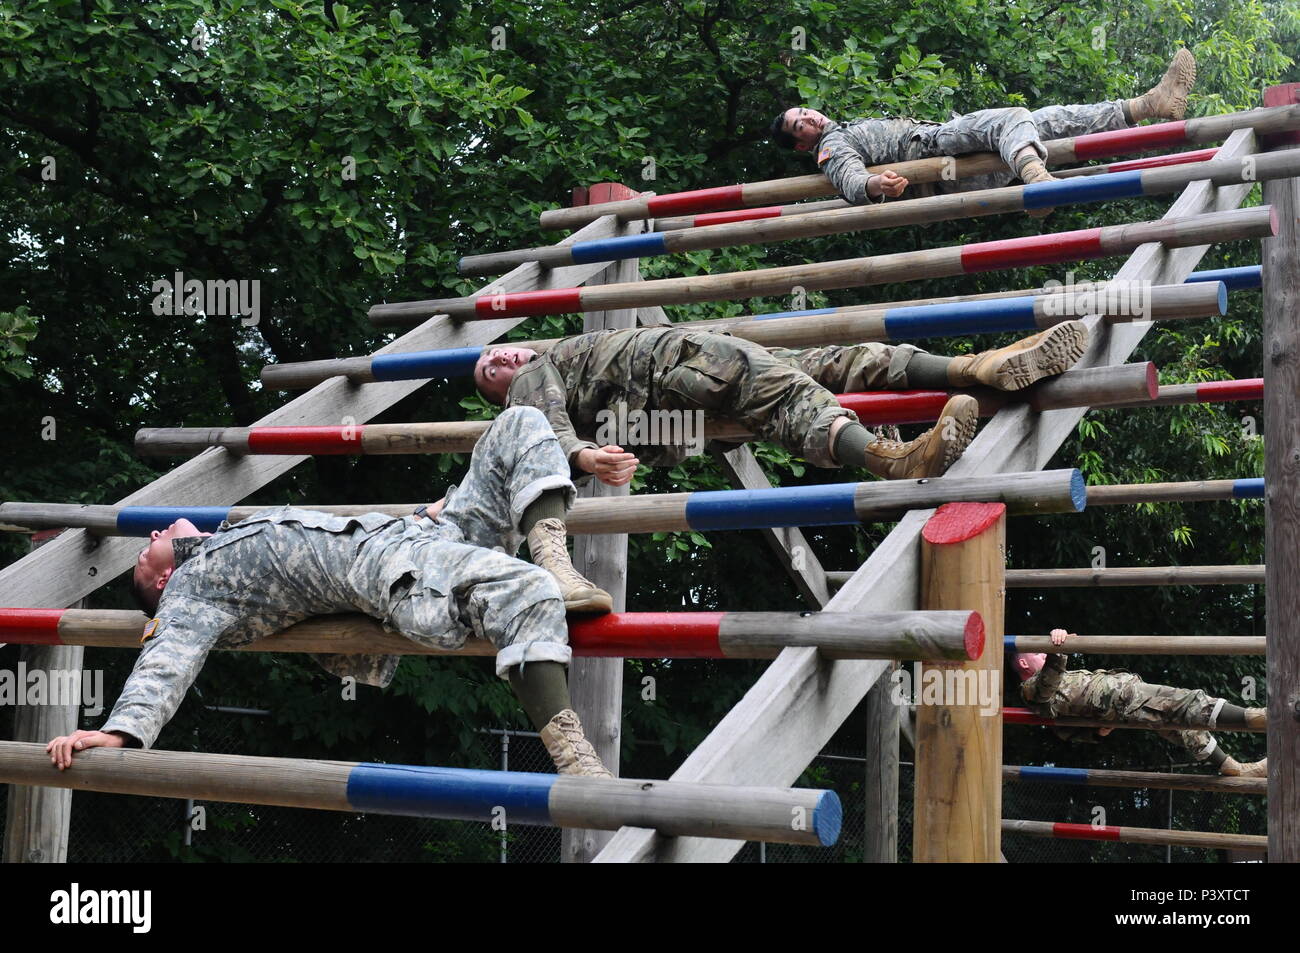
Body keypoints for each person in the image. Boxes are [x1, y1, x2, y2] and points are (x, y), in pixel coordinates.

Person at [46, 406, 616, 778]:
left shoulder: (232, 535)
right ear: (163, 583)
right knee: (525, 590)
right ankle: (574, 757)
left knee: (518, 420)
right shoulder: (194, 590)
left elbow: (330, 533)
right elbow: (167, 656)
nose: (150, 536)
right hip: (395, 569)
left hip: (422, 533)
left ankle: (554, 552)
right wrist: (120, 731)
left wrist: (421, 514)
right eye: (146, 558)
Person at [472, 322, 1089, 484]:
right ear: (500, 394)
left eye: (496, 353)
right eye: (488, 372)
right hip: (675, 378)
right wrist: (584, 460)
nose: (500, 360)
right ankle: (894, 459)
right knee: (791, 393)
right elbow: (547, 428)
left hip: (673, 407)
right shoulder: (535, 382)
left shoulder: (556, 357)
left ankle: (980, 368)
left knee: (841, 361)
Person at [769, 50, 1196, 213]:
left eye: (805, 111)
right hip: (936, 156)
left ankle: (1144, 106)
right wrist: (874, 183)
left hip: (968, 172)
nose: (809, 119)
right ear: (802, 143)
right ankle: (1038, 182)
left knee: (1046, 120)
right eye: (799, 125)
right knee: (1012, 116)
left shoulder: (843, 127)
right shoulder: (832, 144)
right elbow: (845, 174)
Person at [1013, 628, 1267, 778]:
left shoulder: (1051, 678)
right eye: (1037, 652)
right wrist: (1057, 650)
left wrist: (1096, 732)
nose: (1044, 653)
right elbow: (1047, 692)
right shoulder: (1030, 688)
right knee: (1189, 701)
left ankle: (1236, 768)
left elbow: (1064, 728)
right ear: (1024, 664)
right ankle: (1261, 717)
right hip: (1127, 700)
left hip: (1126, 700)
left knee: (1185, 729)